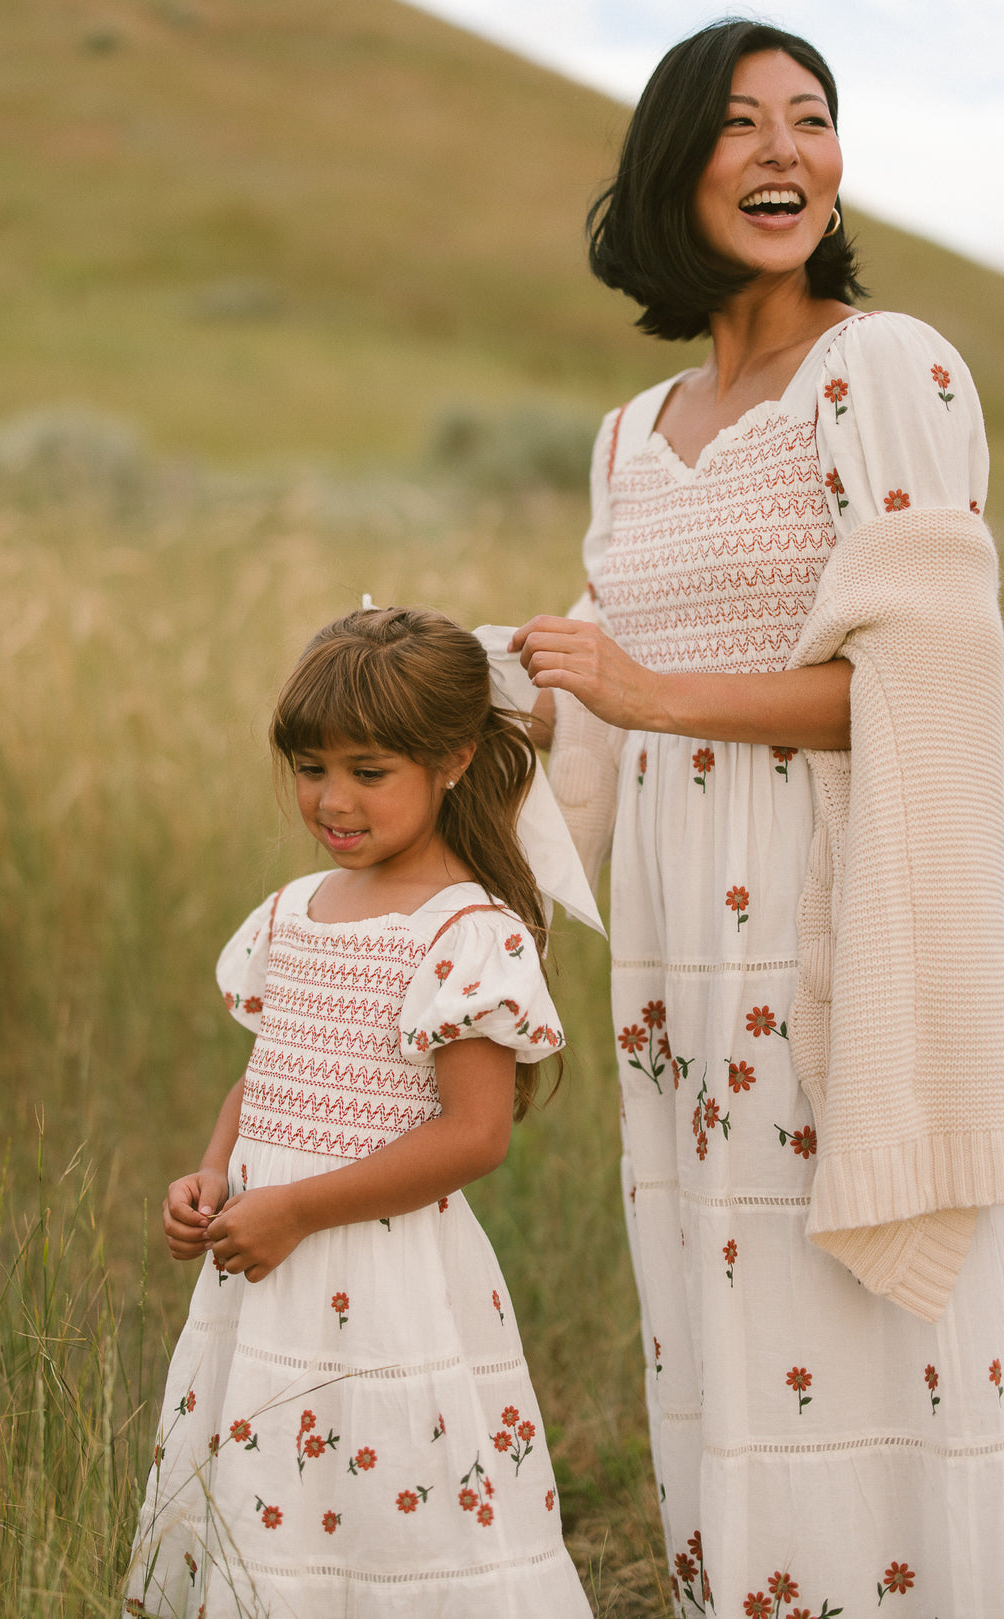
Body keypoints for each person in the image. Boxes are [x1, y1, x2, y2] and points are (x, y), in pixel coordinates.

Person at [511, 19, 1004, 1618]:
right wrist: (507, 695)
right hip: (671, 952)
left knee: (858, 1317)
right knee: (717, 1316)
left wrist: (658, 695)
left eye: (816, 118)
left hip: (824, 916)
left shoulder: (887, 366)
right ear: (673, 161)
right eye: (742, 123)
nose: (788, 149)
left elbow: (937, 681)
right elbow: (609, 690)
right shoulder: (627, 433)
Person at [123, 606, 593, 1618]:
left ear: (453, 758)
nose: (331, 799)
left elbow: (475, 1133)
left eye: (368, 771)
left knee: (386, 1489)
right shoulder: (297, 909)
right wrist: (215, 1172)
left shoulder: (465, 930)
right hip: (265, 1262)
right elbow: (271, 1074)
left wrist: (300, 1208)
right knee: (272, 1484)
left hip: (383, 1276)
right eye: (309, 766)